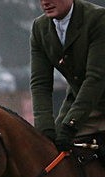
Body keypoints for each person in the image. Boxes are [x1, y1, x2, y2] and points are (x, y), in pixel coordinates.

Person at [30, 0, 105, 153]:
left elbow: (96, 77)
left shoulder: (97, 18)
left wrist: (71, 125)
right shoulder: (39, 28)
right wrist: (45, 128)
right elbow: (40, 84)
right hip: (81, 103)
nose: (45, 2)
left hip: (94, 97)